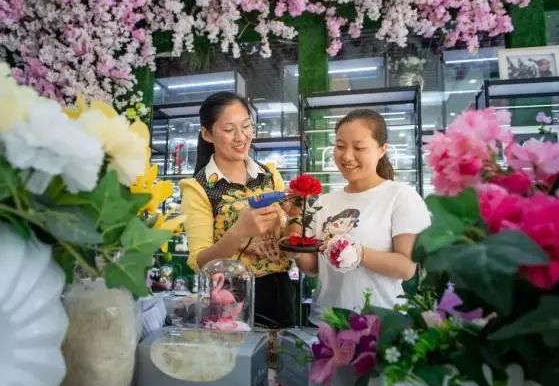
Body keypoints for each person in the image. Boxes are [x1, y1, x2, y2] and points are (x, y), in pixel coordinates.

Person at [291, 109, 431, 325]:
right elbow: (312, 268)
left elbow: (406, 268)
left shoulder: (401, 197)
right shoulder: (323, 203)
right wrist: (294, 241)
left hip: (379, 325)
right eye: (339, 146)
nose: (347, 156)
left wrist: (356, 252)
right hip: (325, 323)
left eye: (359, 147)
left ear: (382, 149)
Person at [180, 91, 297, 328]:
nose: (241, 137)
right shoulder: (198, 188)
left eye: (246, 126)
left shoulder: (269, 174)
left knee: (281, 360)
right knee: (239, 362)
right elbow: (200, 261)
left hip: (280, 290)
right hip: (231, 299)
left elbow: (286, 235)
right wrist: (238, 232)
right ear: (207, 134)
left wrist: (295, 215)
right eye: (228, 129)